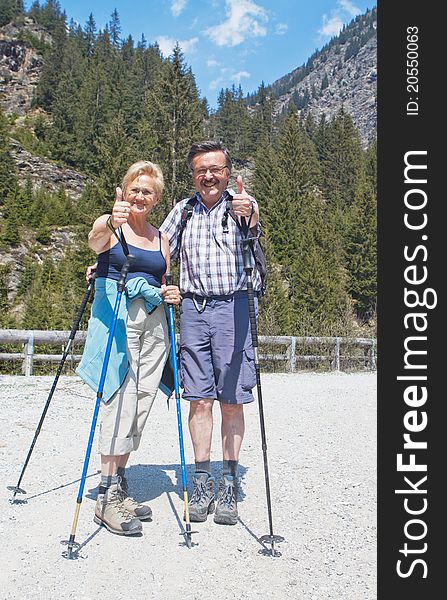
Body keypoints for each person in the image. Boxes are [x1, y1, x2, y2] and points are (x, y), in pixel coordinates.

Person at [159, 140, 262, 525]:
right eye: (201, 170)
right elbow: (159, 246)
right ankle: (202, 478)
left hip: (234, 307)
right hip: (194, 309)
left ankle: (230, 480)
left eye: (215, 169)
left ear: (227, 172)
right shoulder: (183, 211)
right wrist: (111, 263)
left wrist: (248, 211)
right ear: (193, 174)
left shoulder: (241, 206)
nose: (208, 176)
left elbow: (254, 225)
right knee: (199, 399)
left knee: (232, 400)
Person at [77, 160, 180, 536]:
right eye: (135, 189)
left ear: (156, 198)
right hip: (119, 319)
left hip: (153, 323)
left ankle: (118, 486)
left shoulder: (160, 238)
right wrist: (109, 221)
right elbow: (94, 240)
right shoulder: (112, 223)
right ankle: (105, 497)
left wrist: (171, 291)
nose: (139, 196)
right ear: (125, 190)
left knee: (141, 401)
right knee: (118, 399)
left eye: (147, 191)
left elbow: (161, 277)